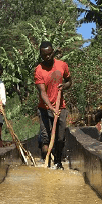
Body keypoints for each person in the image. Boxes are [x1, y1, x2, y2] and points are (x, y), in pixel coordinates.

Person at [34, 41, 72, 169]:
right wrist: (50, 107)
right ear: (41, 55)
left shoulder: (62, 65)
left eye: (50, 54)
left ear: (53, 52)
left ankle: (58, 162)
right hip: (45, 109)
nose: (48, 57)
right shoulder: (39, 70)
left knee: (60, 139)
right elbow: (42, 92)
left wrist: (64, 86)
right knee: (46, 138)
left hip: (61, 108)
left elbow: (69, 81)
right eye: (44, 55)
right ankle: (46, 162)